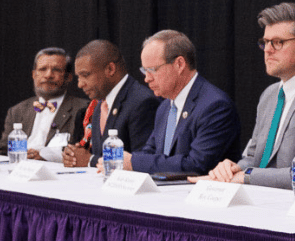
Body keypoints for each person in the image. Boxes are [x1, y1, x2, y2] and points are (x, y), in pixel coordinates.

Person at [192, 2, 295, 194]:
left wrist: (245, 176)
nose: (268, 50)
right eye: (265, 42)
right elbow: (254, 158)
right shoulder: (270, 95)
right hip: (268, 204)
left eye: (278, 42)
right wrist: (231, 169)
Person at [98, 29, 241, 175]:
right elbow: (150, 152)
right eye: (144, 70)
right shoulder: (165, 107)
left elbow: (196, 165)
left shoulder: (215, 106)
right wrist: (121, 161)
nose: (146, 78)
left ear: (179, 64)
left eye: (152, 70)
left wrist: (132, 162)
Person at [63, 40, 160, 167]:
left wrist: (90, 160)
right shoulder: (99, 106)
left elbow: (143, 161)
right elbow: (100, 153)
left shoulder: (142, 102)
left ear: (110, 69)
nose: (80, 84)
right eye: (78, 77)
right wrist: (74, 156)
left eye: (85, 75)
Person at [0, 47, 88, 158]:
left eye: (56, 70)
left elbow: (81, 152)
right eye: (42, 69)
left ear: (68, 77)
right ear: (34, 75)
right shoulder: (17, 111)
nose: (48, 75)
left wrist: (45, 157)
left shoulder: (83, 109)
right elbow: (2, 151)